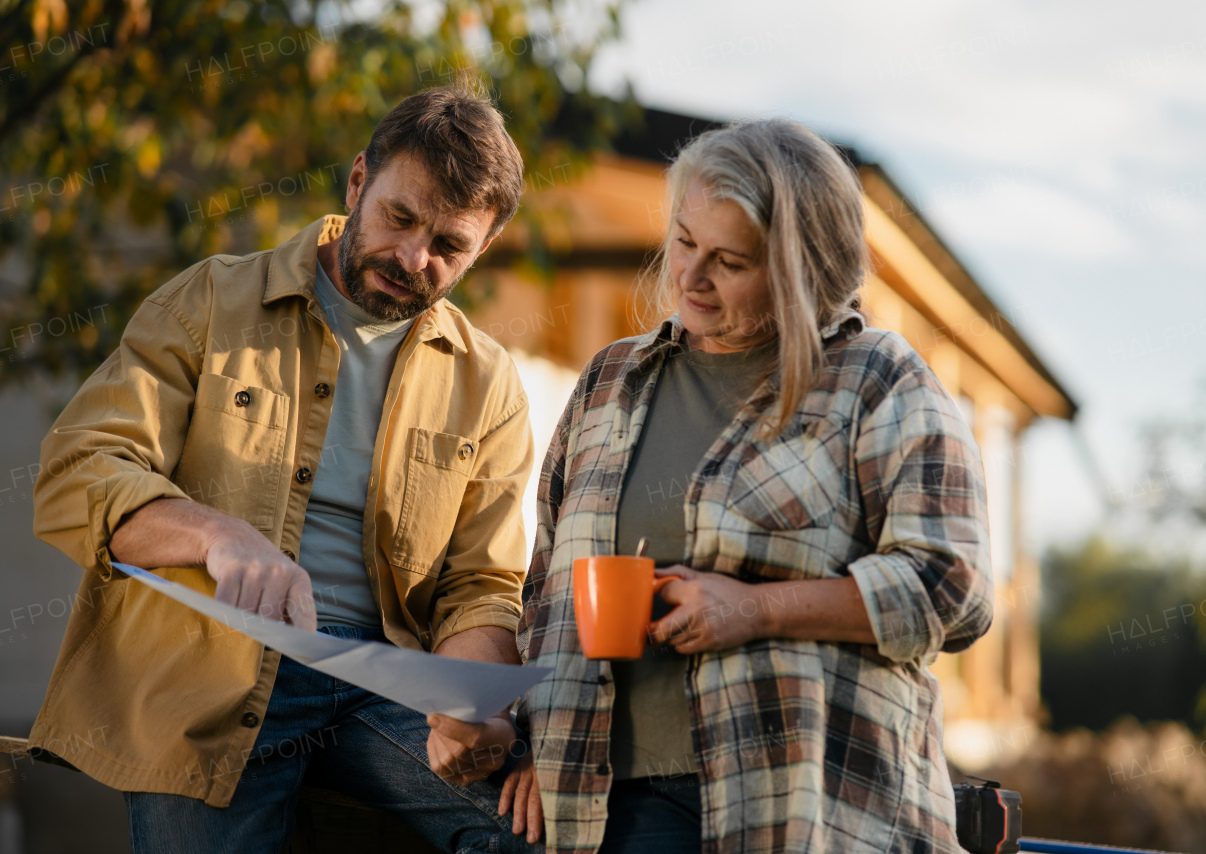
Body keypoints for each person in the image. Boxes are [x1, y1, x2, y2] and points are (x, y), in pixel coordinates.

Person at [30, 83, 542, 853]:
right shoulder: (211, 298)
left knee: (540, 826)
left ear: (484, 248)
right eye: (401, 218)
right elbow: (81, 470)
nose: (414, 258)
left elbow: (481, 585)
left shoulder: (489, 382)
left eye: (448, 247)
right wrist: (215, 535)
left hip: (386, 688)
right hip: (210, 677)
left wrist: (474, 705)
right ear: (359, 181)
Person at [502, 120, 995, 852]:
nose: (691, 277)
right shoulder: (612, 381)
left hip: (809, 808)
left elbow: (953, 590)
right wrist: (530, 744)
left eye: (729, 261)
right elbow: (545, 590)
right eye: (683, 240)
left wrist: (756, 610)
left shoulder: (876, 381)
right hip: (611, 809)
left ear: (801, 270)